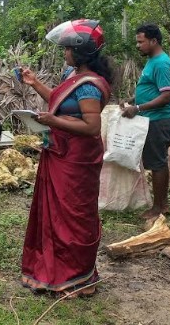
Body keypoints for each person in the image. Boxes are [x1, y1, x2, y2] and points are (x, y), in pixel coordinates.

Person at [19, 19, 113, 297]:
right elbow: (59, 104)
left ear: (81, 51)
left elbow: (92, 127)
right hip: (60, 152)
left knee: (75, 213)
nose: (65, 52)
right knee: (55, 214)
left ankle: (78, 277)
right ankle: (53, 270)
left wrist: (53, 122)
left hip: (78, 159)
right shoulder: (72, 76)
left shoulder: (89, 86)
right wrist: (34, 83)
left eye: (68, 48)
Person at [120, 23, 170, 220]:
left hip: (158, 120)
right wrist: (132, 100)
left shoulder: (161, 63)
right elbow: (152, 89)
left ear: (153, 41)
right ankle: (163, 204)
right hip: (153, 119)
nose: (138, 45)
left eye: (141, 42)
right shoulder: (153, 61)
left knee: (157, 163)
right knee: (157, 161)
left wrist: (138, 108)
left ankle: (158, 208)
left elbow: (167, 96)